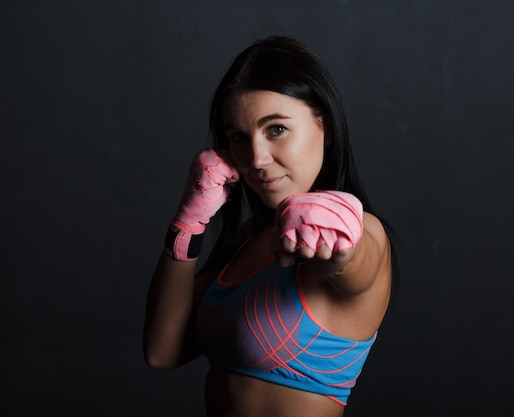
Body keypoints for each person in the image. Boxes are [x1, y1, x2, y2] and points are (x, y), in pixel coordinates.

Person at [143, 35, 397, 417]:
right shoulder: (250, 237)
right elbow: (162, 351)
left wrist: (336, 238)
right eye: (239, 138)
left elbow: (353, 261)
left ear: (323, 126)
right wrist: (187, 225)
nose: (256, 159)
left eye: (276, 129)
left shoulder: (361, 229)